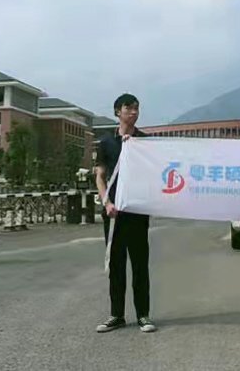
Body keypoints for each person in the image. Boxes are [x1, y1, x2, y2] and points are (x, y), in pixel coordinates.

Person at [94, 93, 156, 334]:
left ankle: (143, 315)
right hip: (114, 214)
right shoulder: (107, 143)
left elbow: (153, 175)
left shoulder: (144, 142)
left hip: (137, 212)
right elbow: (100, 176)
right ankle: (116, 315)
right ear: (117, 111)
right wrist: (106, 202)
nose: (134, 112)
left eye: (137, 108)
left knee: (140, 264)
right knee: (117, 265)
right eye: (129, 108)